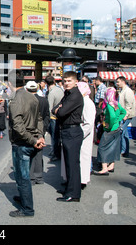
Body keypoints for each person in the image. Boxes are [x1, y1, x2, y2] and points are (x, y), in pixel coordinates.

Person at [8, 70, 45, 217]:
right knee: (24, 176)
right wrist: (39, 136)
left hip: (22, 143)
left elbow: (18, 126)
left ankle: (27, 209)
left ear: (10, 83)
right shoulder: (33, 96)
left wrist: (34, 139)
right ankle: (24, 198)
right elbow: (40, 119)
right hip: (31, 141)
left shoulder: (16, 99)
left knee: (22, 177)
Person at [52, 71, 84, 202]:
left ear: (76, 82)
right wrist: (58, 109)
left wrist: (59, 109)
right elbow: (54, 109)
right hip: (66, 131)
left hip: (72, 131)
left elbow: (61, 112)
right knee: (68, 163)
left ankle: (73, 194)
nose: (66, 83)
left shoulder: (75, 95)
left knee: (73, 164)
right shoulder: (67, 94)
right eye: (64, 81)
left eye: (69, 81)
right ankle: (69, 189)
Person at [94, 87, 127, 175]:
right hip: (116, 128)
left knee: (102, 147)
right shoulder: (116, 104)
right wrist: (118, 120)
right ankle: (111, 165)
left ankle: (104, 167)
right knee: (114, 147)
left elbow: (112, 116)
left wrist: (110, 124)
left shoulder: (109, 105)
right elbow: (123, 112)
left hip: (109, 129)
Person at [25, 80, 50, 185]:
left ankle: (31, 177)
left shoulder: (25, 101)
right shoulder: (44, 100)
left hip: (29, 130)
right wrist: (43, 130)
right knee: (39, 153)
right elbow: (47, 116)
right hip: (41, 130)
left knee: (29, 153)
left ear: (26, 89)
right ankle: (38, 176)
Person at [77, 82, 96, 187]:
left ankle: (82, 180)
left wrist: (79, 135)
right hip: (81, 134)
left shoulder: (88, 103)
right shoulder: (83, 101)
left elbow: (88, 123)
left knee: (84, 158)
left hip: (83, 135)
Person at [116, 76, 136, 157]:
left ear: (122, 81)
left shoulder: (128, 91)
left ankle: (124, 150)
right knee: (124, 133)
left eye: (118, 82)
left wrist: (126, 115)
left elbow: (129, 104)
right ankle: (124, 150)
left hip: (126, 115)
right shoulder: (122, 90)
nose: (117, 84)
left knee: (122, 131)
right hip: (123, 114)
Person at [46, 75, 64, 161]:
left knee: (54, 136)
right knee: (59, 136)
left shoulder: (51, 93)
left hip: (54, 117)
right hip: (61, 116)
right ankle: (58, 152)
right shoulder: (60, 90)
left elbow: (49, 108)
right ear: (53, 81)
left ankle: (55, 153)